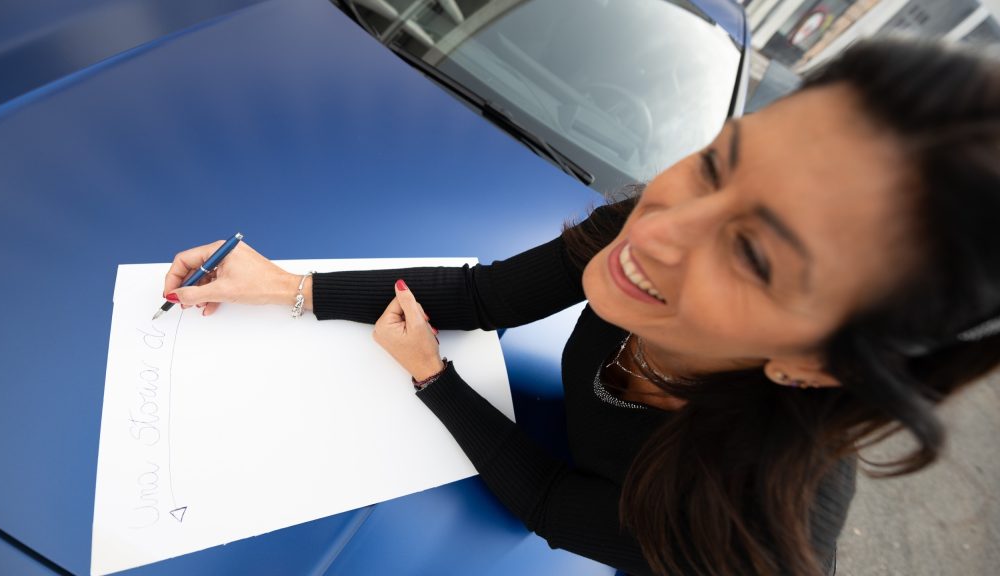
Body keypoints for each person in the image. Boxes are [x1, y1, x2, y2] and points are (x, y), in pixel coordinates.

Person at [160, 40, 1000, 575]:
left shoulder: (744, 531)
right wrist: (289, 287)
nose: (657, 227)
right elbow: (486, 293)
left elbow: (550, 504)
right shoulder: (662, 222)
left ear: (820, 362)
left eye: (752, 255)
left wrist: (435, 380)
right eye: (718, 162)